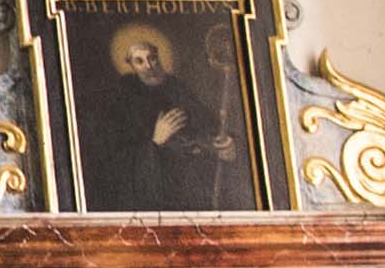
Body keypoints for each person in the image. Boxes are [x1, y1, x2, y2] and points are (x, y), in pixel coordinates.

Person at [74, 15, 259, 208]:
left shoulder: (178, 89)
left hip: (194, 187)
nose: (149, 66)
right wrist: (155, 141)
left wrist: (228, 145)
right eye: (140, 61)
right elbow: (116, 159)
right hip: (156, 196)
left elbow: (212, 128)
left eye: (152, 58)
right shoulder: (123, 98)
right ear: (131, 65)